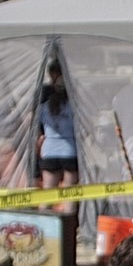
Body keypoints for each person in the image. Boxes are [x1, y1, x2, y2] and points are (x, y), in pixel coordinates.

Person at [36, 60, 79, 212]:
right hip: (69, 150)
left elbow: (31, 122)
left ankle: (43, 224)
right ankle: (69, 227)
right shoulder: (74, 106)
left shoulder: (44, 107)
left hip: (49, 151)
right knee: (69, 194)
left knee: (48, 193)